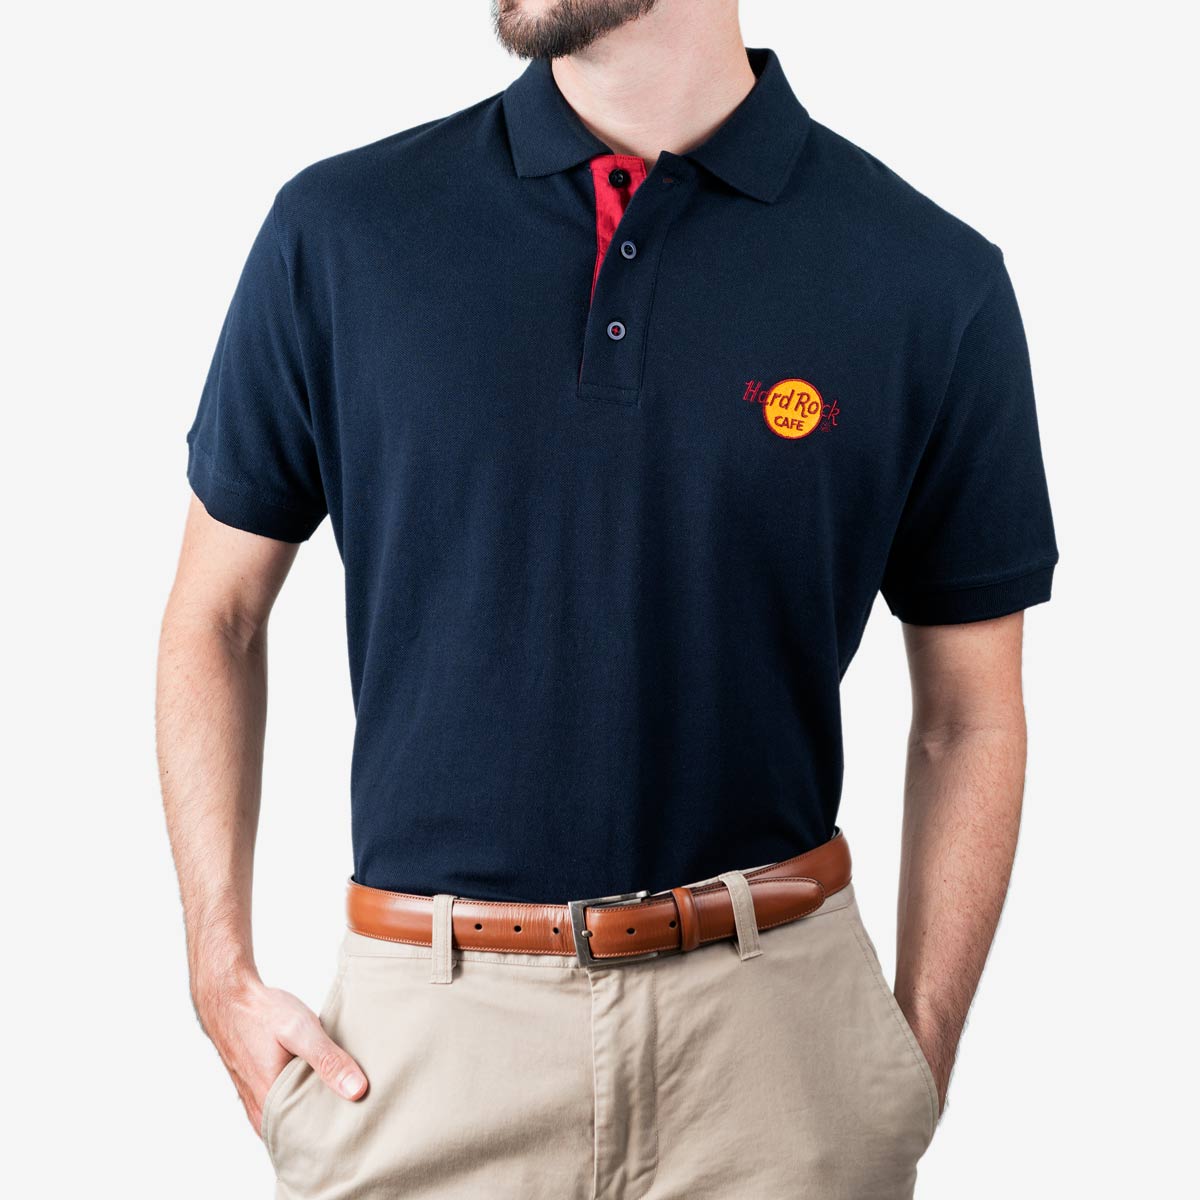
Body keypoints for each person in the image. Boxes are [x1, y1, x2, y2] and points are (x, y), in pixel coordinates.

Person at [156, 1, 1057, 1196]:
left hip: (776, 1064)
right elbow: (215, 616)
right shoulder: (343, 232)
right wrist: (218, 970)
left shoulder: (928, 278)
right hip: (420, 1058)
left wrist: (914, 1061)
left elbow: (970, 713)